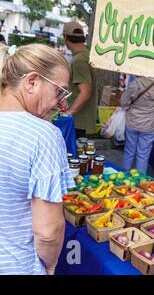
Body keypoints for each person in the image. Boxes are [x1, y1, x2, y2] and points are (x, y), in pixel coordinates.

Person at [0, 43, 74, 274]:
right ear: (32, 81)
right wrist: (51, 265)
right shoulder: (44, 135)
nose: (62, 104)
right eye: (59, 91)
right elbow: (48, 231)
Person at [121, 76, 154, 174]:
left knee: (129, 150)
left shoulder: (136, 83)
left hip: (133, 120)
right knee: (143, 154)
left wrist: (127, 107)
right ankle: (140, 179)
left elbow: (124, 101)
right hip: (150, 124)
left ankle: (124, 175)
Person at [63, 21, 97, 138]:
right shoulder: (87, 55)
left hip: (78, 122)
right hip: (82, 120)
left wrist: (68, 114)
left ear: (65, 38)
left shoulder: (79, 60)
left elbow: (85, 92)